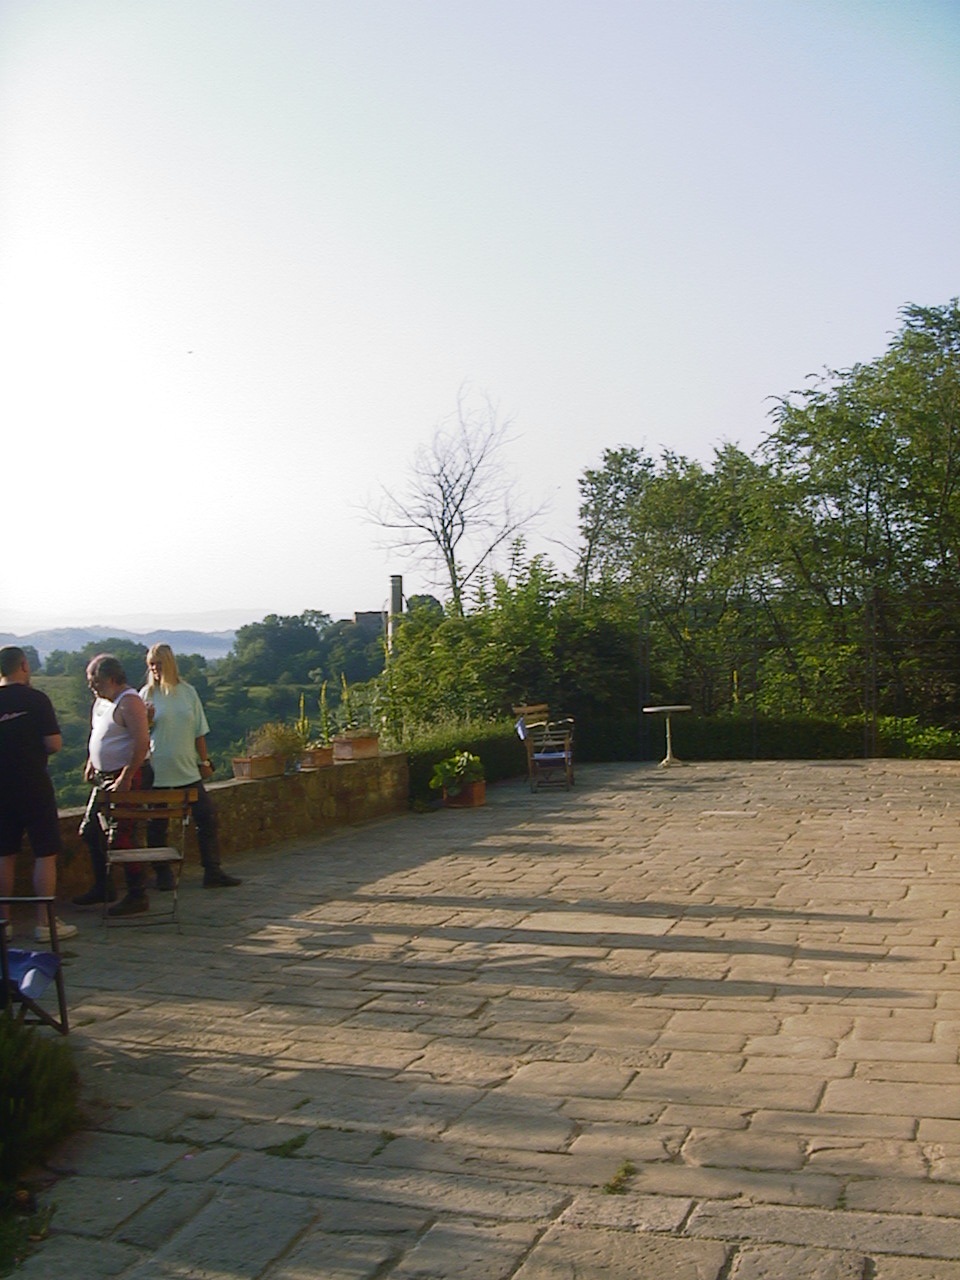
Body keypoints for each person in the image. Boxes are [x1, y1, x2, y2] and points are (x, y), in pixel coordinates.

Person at [140, 643, 241, 889]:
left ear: (169, 664)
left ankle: (212, 870)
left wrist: (204, 761)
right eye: (151, 665)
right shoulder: (146, 695)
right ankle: (162, 874)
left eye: (158, 664)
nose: (154, 669)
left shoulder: (188, 692)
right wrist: (148, 721)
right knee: (157, 824)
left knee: (206, 817)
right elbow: (139, 735)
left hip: (186, 768)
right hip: (158, 769)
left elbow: (199, 731)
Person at [0, 645, 78, 941]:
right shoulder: (36, 700)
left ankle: (3, 923)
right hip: (32, 782)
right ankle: (45, 923)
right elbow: (53, 743)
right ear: (23, 665)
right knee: (45, 851)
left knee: (3, 853)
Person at [74, 653, 153, 916]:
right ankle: (103, 886)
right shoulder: (103, 702)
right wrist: (91, 762)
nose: (91, 685)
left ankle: (137, 894)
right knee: (91, 831)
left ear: (110, 678)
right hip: (105, 777)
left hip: (126, 776)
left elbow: (141, 742)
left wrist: (127, 777)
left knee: (122, 835)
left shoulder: (129, 701)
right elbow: (100, 734)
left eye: (94, 680)